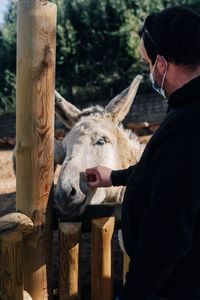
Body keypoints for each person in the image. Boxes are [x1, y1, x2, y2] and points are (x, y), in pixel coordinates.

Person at [84, 6, 200, 300]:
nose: (149, 71)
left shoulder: (186, 126)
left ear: (161, 65)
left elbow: (167, 235)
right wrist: (116, 177)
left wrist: (132, 295)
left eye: (148, 63)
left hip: (176, 287)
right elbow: (173, 170)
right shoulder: (189, 114)